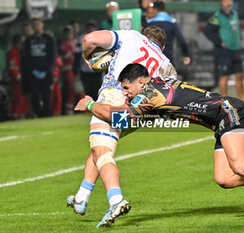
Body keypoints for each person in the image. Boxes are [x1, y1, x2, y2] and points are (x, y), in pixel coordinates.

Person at [76, 63, 244, 221]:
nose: (125, 93)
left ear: (142, 81)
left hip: (229, 111)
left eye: (127, 88)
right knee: (224, 178)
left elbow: (121, 117)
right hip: (222, 118)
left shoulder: (151, 94)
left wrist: (89, 105)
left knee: (239, 165)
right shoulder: (157, 86)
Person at [66, 26, 177, 228]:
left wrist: (86, 56)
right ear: (163, 46)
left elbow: (90, 39)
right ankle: (81, 197)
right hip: (140, 113)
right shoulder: (166, 63)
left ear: (145, 35)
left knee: (102, 151)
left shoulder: (133, 37)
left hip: (116, 96)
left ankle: (116, 200)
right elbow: (170, 97)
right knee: (100, 146)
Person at [204, 0, 244, 101]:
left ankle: (242, 99)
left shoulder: (234, 13)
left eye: (230, 1)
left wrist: (240, 38)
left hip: (236, 49)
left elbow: (237, 29)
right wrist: (219, 42)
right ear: (222, 3)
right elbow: (207, 31)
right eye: (226, 1)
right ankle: (224, 100)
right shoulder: (217, 17)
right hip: (224, 51)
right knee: (224, 76)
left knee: (240, 75)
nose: (228, 3)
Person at [24, 17, 56, 117]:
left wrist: (47, 70)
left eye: (38, 24)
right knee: (35, 96)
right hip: (33, 73)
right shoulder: (29, 40)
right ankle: (39, 114)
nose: (36, 27)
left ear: (42, 25)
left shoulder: (49, 39)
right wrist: (32, 70)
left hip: (46, 72)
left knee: (47, 96)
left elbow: (53, 55)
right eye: (34, 25)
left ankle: (47, 115)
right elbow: (27, 57)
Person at [146, 0, 191, 66]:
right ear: (164, 8)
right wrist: (186, 54)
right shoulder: (172, 22)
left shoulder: (150, 23)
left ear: (155, 9)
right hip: (168, 59)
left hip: (153, 61)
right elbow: (181, 40)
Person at [79, 20, 102, 101]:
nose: (90, 29)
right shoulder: (82, 38)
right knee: (88, 91)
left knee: (97, 90)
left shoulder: (100, 38)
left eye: (92, 27)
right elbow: (77, 54)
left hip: (97, 69)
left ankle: (97, 108)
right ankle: (90, 108)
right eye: (89, 27)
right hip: (85, 69)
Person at [7, 34, 28, 120]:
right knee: (18, 100)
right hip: (17, 81)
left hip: (21, 80)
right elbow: (13, 68)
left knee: (23, 100)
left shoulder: (19, 52)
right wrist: (18, 76)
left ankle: (21, 117)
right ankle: (16, 118)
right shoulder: (13, 52)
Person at [59, 25, 76, 115]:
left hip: (74, 70)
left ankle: (73, 109)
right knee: (70, 90)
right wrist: (73, 51)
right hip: (67, 70)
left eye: (69, 32)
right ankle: (68, 111)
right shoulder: (64, 43)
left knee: (76, 90)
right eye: (66, 32)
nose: (68, 34)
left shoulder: (73, 42)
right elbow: (65, 56)